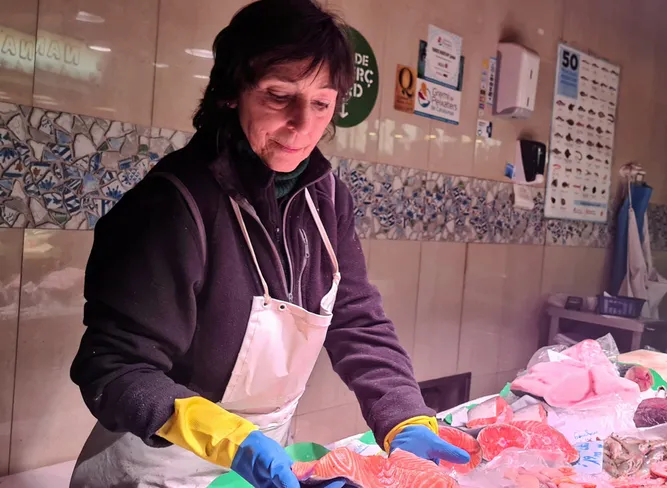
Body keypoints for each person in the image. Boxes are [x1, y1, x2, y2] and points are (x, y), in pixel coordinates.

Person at [68, 1, 469, 486]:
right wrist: (229, 439)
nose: (303, 126)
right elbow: (111, 368)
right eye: (279, 97)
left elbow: (356, 318)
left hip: (263, 463)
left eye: (321, 103)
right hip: (156, 465)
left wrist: (403, 412)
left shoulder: (327, 199)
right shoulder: (174, 203)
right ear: (231, 94)